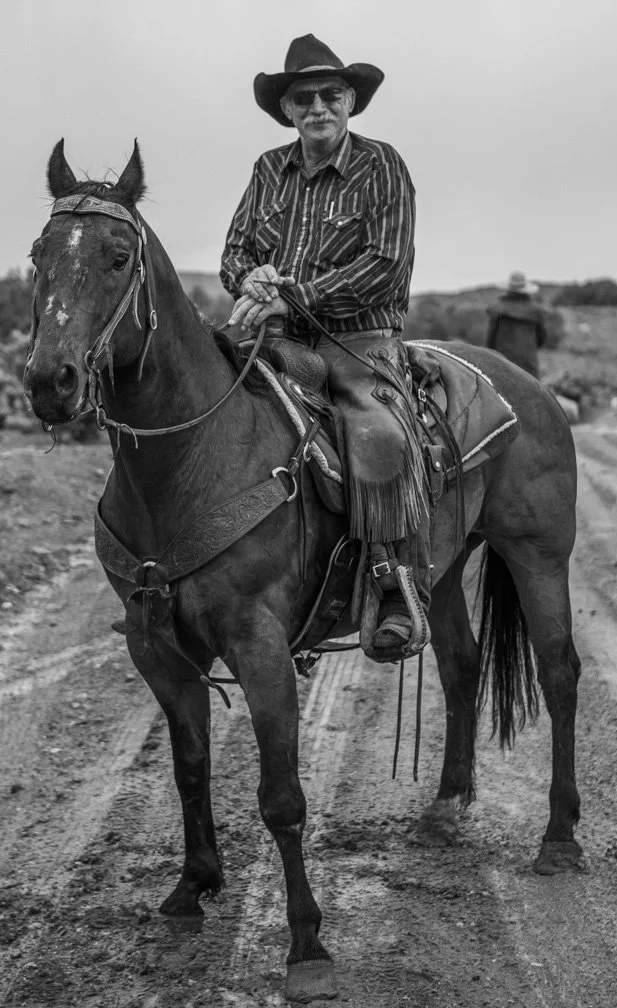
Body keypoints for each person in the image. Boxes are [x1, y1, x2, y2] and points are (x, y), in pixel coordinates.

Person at [221, 34, 426, 660]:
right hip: (275, 338)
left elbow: (387, 265)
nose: (318, 107)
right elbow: (235, 251)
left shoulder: (382, 165)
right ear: (287, 109)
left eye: (330, 95)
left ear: (350, 102)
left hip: (357, 341)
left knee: (376, 434)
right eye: (303, 97)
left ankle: (391, 580)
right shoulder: (266, 170)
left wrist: (297, 296)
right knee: (210, 412)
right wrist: (249, 278)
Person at [485, 271, 549, 378]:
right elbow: (541, 338)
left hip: (503, 364)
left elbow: (490, 340)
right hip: (529, 365)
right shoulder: (535, 311)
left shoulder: (498, 309)